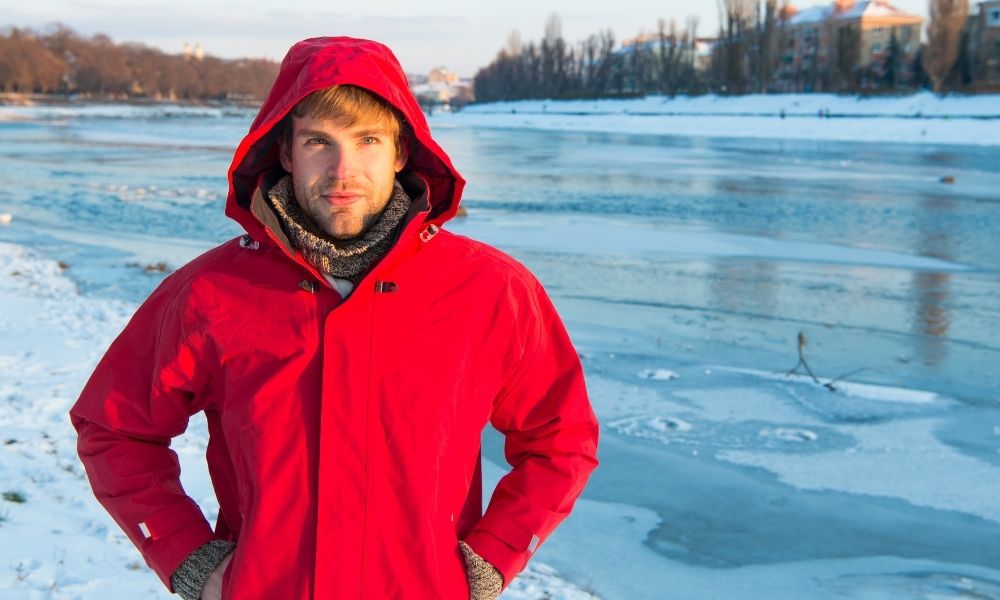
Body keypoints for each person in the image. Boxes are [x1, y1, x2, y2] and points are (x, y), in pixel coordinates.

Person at [70, 37, 599, 599]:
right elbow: (114, 428)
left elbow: (561, 440)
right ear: (285, 152)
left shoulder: (491, 291)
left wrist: (496, 554)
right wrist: (188, 556)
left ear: (400, 152)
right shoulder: (211, 294)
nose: (343, 170)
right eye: (319, 141)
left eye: (368, 140)